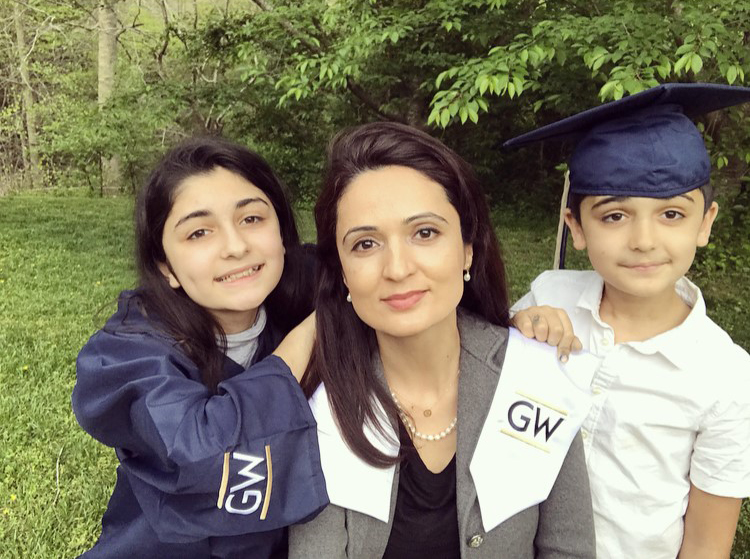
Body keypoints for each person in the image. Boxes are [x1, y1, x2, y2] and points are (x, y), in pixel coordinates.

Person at [289, 122, 596, 558]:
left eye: (425, 233)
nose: (397, 268)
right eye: (365, 244)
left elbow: (569, 549)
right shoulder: (320, 403)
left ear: (468, 249)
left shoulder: (534, 376)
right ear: (342, 271)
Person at [506, 83, 750, 559]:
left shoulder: (729, 378)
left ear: (705, 223)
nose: (643, 240)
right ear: (575, 227)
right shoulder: (548, 294)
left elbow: (706, 544)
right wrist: (517, 326)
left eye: (672, 214)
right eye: (614, 216)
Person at [72, 137, 328, 559]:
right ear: (165, 267)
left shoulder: (299, 296)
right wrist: (311, 336)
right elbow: (200, 453)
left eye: (251, 218)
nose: (235, 246)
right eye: (199, 232)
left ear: (281, 232)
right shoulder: (128, 356)